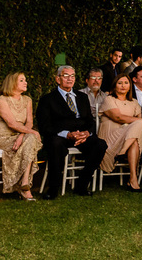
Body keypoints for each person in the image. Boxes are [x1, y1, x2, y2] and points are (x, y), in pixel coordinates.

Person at [35, 65, 108, 198]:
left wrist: (86, 133)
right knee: (55, 144)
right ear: (58, 79)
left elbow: (90, 122)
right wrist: (67, 134)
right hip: (60, 136)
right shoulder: (47, 99)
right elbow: (45, 126)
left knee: (100, 144)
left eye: (72, 76)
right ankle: (53, 189)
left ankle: (81, 185)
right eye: (66, 76)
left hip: (81, 135)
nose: (70, 79)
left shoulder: (82, 97)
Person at [0, 72, 43, 199]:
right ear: (12, 83)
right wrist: (33, 132)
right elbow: (11, 123)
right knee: (32, 137)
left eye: (25, 80)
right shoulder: (1, 100)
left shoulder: (27, 100)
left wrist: (22, 135)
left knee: (30, 139)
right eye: (22, 80)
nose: (26, 83)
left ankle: (24, 183)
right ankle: (24, 187)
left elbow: (29, 122)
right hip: (0, 138)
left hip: (19, 136)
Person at [97, 72, 142, 192]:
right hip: (110, 138)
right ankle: (123, 154)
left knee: (135, 138)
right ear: (114, 86)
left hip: (126, 138)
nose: (123, 85)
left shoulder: (134, 102)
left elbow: (140, 123)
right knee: (139, 124)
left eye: (126, 83)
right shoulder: (109, 99)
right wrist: (140, 121)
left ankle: (133, 180)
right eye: (120, 83)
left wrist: (141, 121)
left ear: (130, 86)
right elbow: (118, 117)